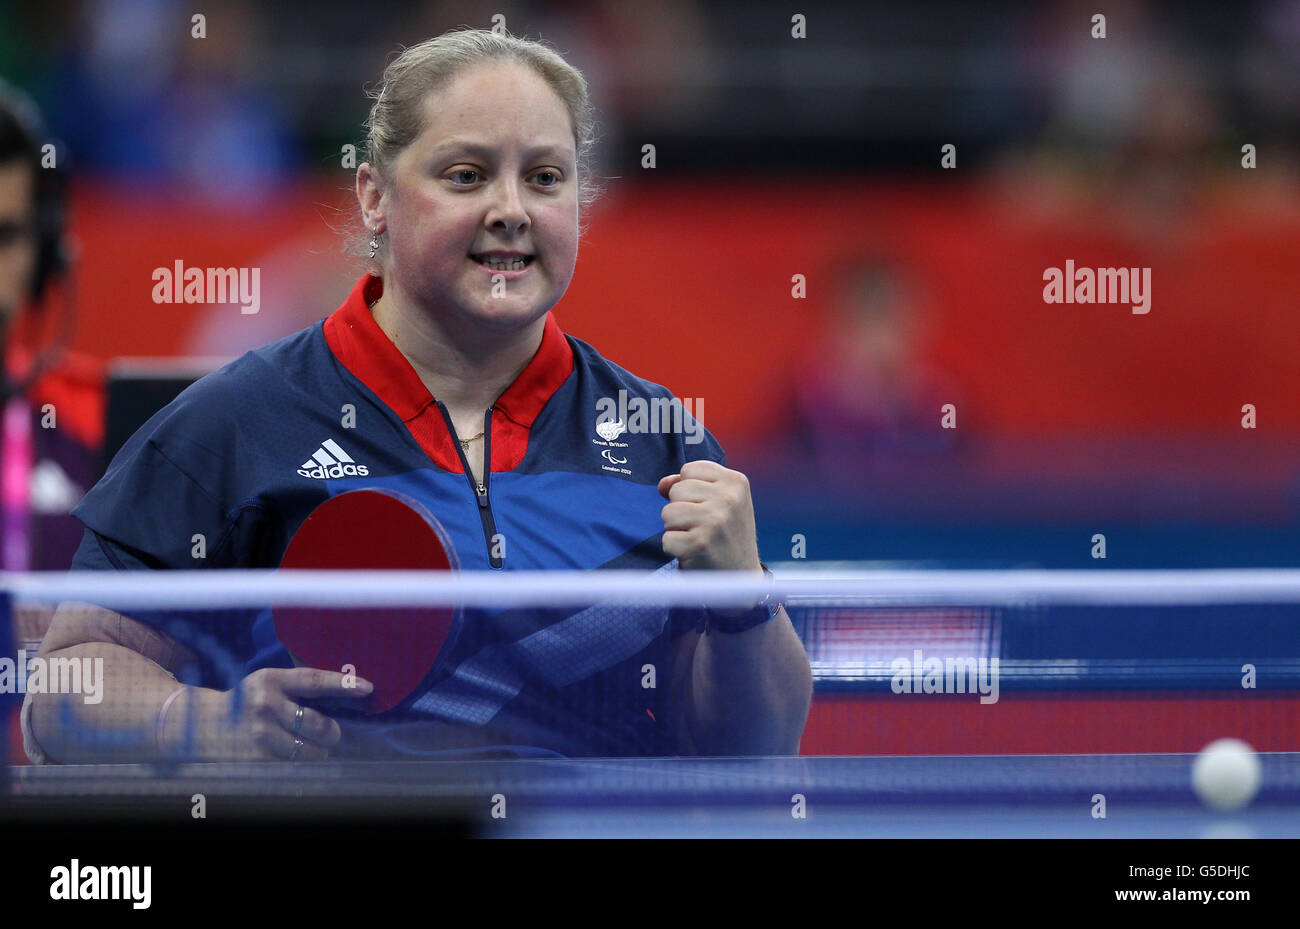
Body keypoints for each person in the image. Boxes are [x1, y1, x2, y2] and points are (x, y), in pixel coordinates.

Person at [24, 29, 811, 763]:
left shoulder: (659, 438)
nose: (510, 209)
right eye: (466, 175)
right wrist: (200, 722)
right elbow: (62, 691)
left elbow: (750, 750)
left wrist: (744, 598)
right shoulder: (232, 421)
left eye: (545, 177)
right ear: (375, 196)